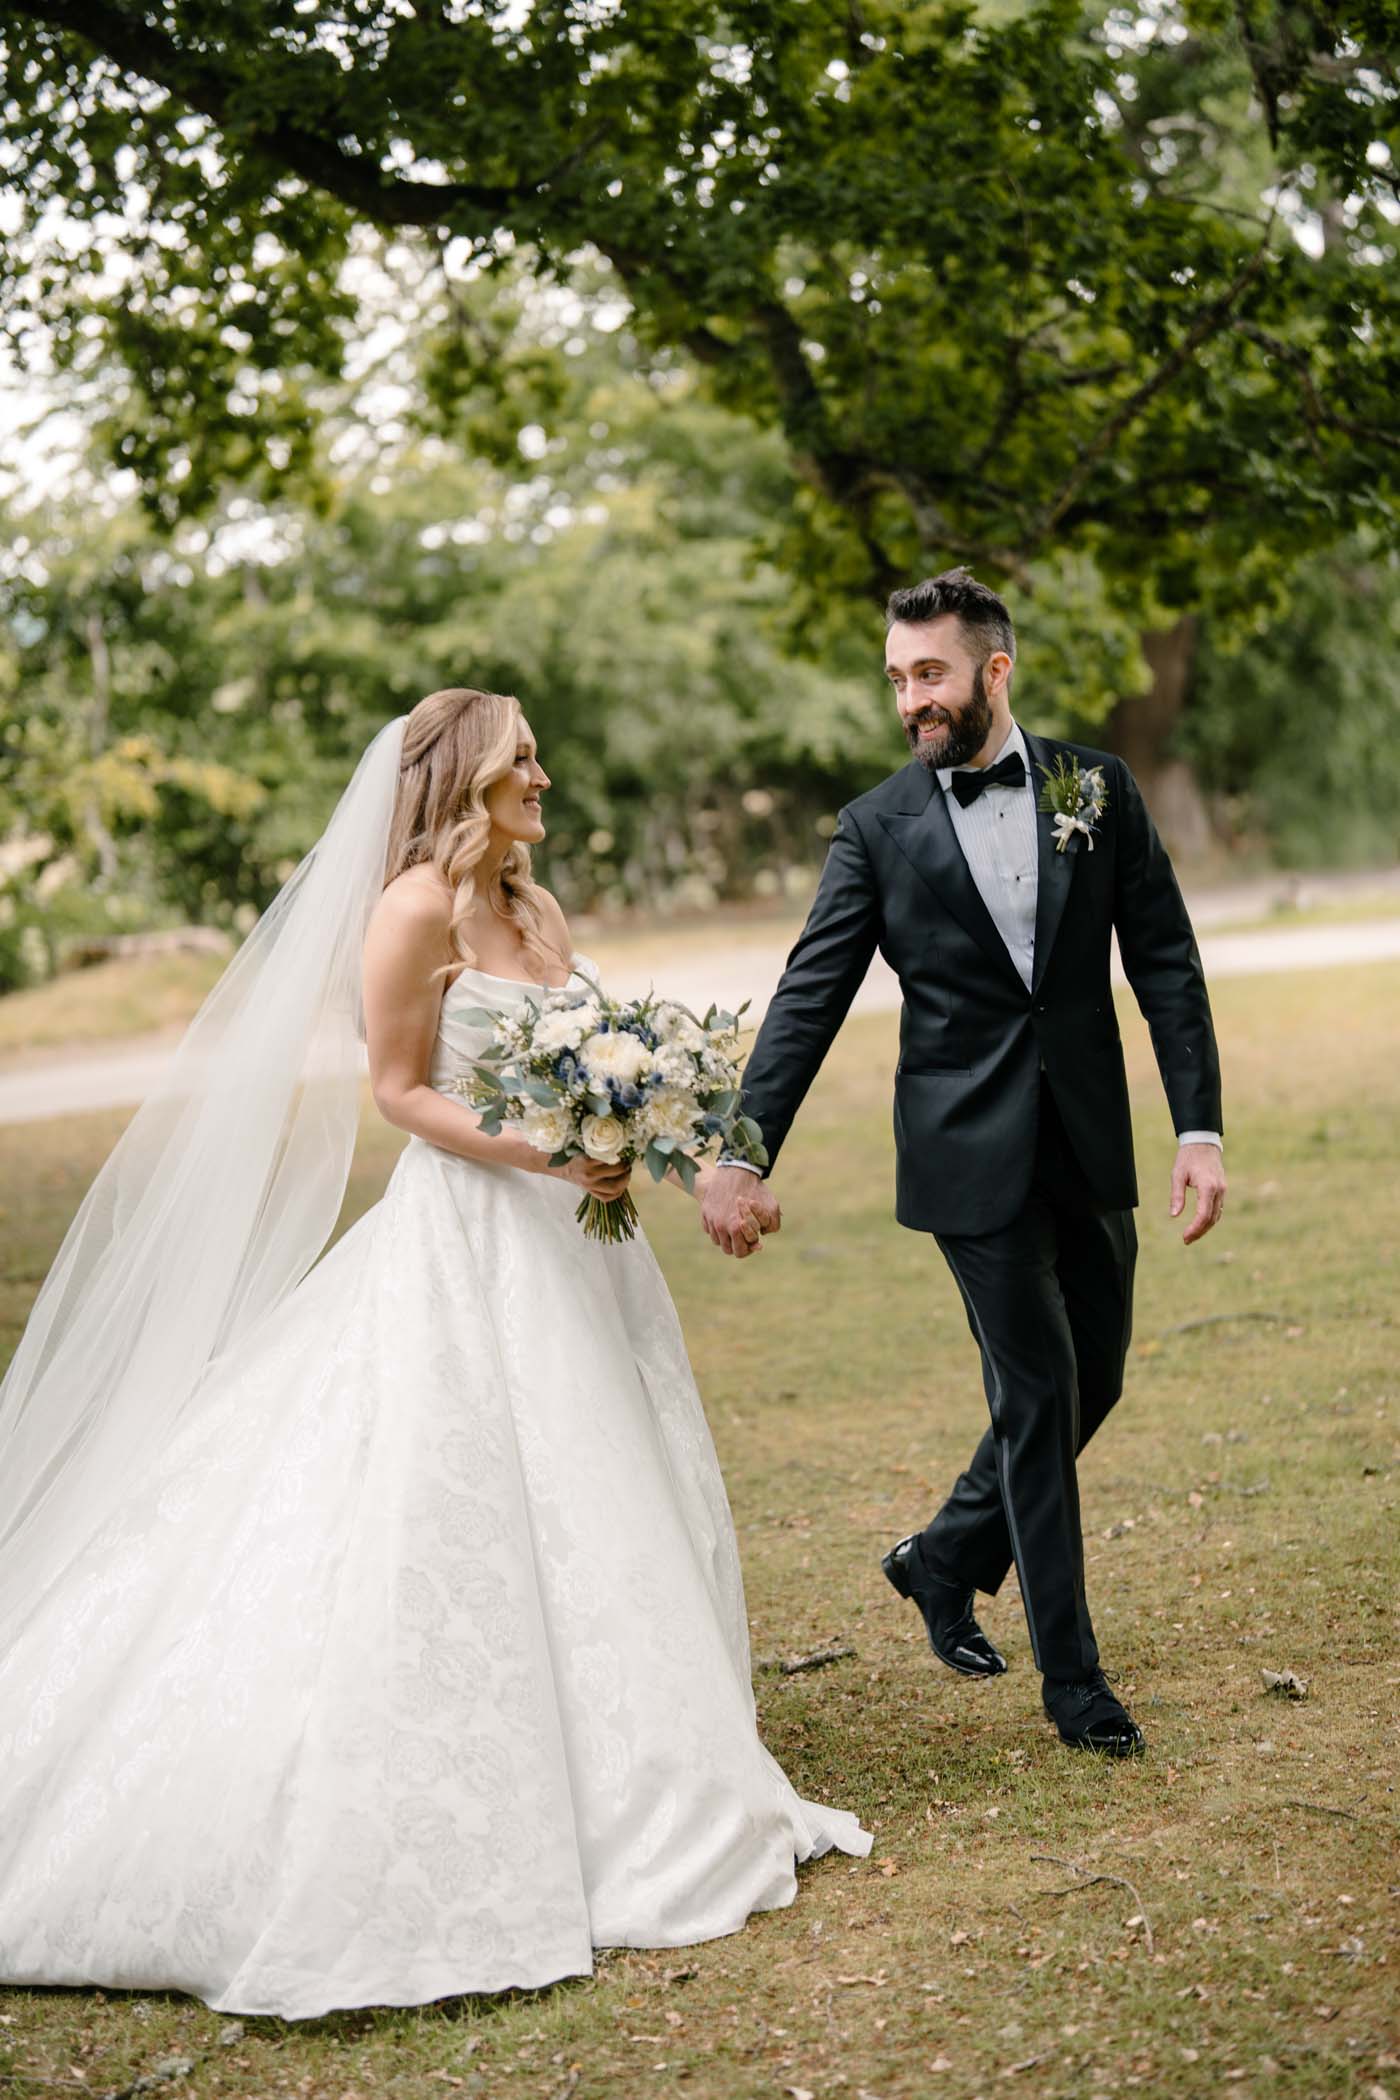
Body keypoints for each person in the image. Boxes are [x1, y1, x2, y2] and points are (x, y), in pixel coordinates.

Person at [0, 687, 869, 2021]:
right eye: (525, 759)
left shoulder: (538, 908)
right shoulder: (413, 909)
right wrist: (544, 1152)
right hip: (473, 1239)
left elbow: (601, 1064)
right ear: (467, 776)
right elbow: (401, 1091)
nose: (546, 775)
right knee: (452, 1500)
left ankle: (648, 1765)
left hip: (586, 1246)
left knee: (605, 1487)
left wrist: (661, 1134)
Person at [702, 570, 1226, 1757]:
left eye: (927, 674)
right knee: (1036, 1399)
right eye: (895, 679)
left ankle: (940, 1558)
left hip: (1086, 1141)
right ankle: (1074, 1684)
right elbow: (806, 1003)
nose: (909, 700)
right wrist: (738, 1153)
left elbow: (1165, 963)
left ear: (993, 671)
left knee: (1097, 1375)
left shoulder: (1098, 787)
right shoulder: (873, 827)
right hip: (961, 1162)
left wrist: (1196, 1126)